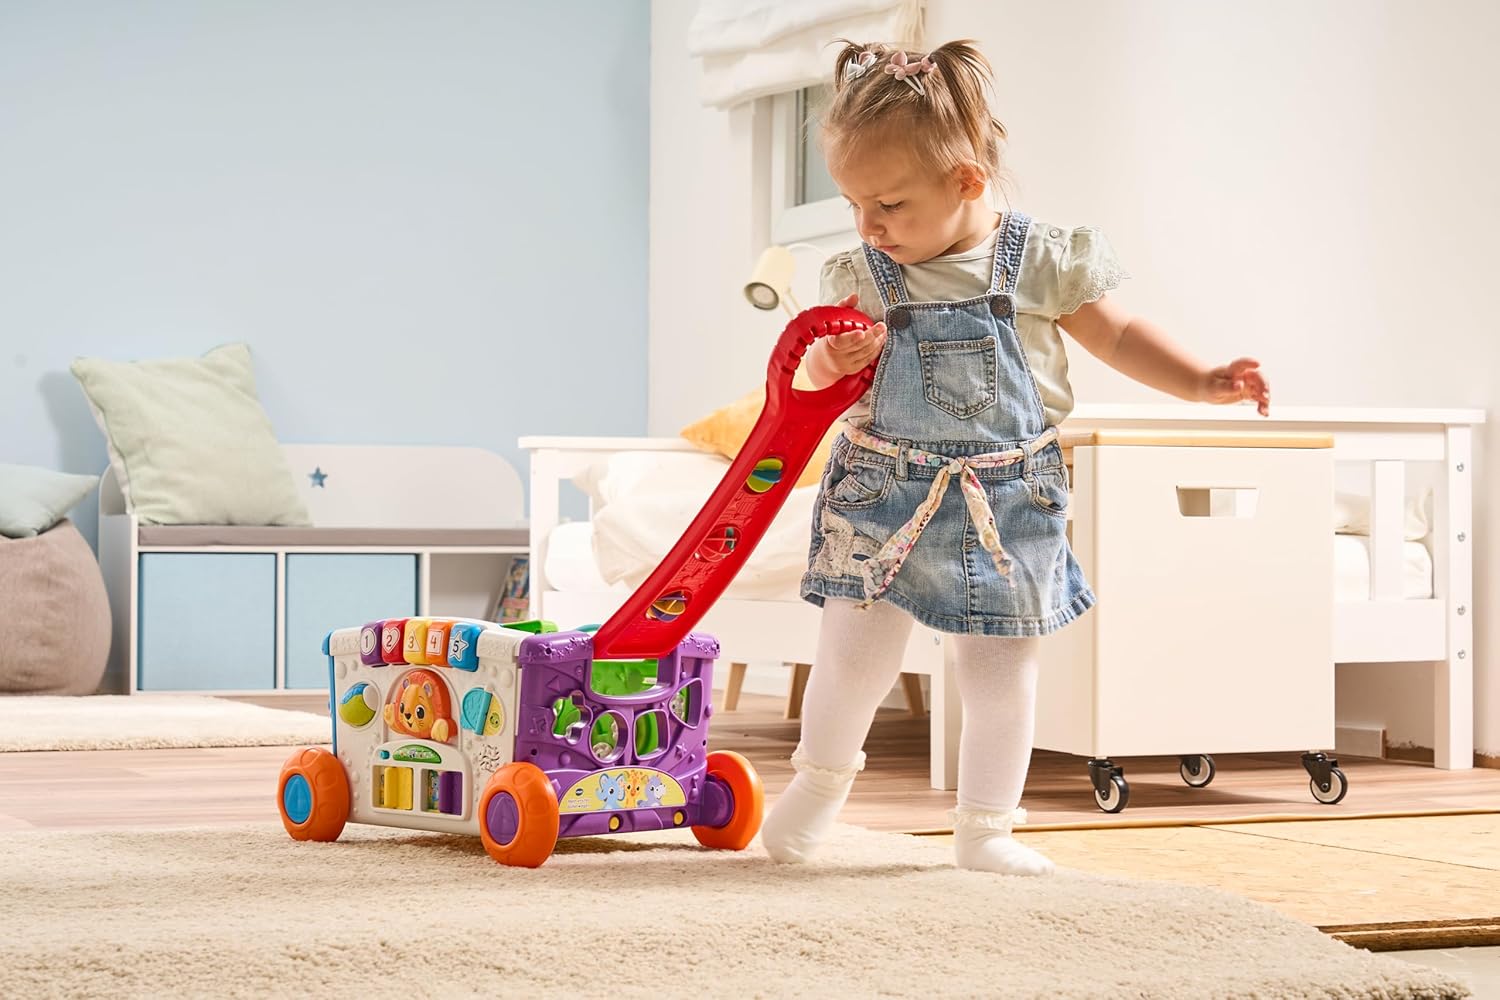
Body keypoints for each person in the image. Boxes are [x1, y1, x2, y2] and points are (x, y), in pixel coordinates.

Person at [759, 39, 1269, 875]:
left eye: (889, 203)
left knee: (999, 673)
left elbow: (1120, 335)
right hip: (883, 491)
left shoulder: (1039, 257)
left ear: (965, 180)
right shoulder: (863, 272)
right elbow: (822, 375)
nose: (869, 225)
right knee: (854, 660)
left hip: (1007, 502)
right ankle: (817, 786)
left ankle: (987, 828)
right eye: (854, 204)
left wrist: (1200, 380)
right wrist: (829, 364)